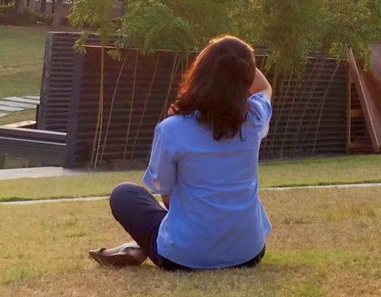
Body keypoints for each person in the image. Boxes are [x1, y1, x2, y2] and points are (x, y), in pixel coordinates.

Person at [90, 35, 273, 270]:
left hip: (184, 257)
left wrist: (218, 61)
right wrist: (237, 62)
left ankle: (140, 246)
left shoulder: (172, 129)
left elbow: (169, 200)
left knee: (124, 194)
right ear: (245, 77)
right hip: (248, 253)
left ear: (199, 73)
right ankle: (140, 246)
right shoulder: (255, 119)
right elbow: (264, 87)